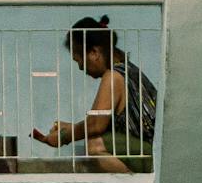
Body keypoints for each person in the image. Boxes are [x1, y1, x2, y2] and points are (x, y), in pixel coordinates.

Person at [30, 16, 158, 172]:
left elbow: (96, 124)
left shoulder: (114, 77)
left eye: (79, 60)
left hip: (153, 157)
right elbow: (97, 121)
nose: (80, 67)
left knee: (95, 145)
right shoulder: (127, 70)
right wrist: (69, 128)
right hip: (152, 151)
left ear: (94, 52)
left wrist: (64, 137)